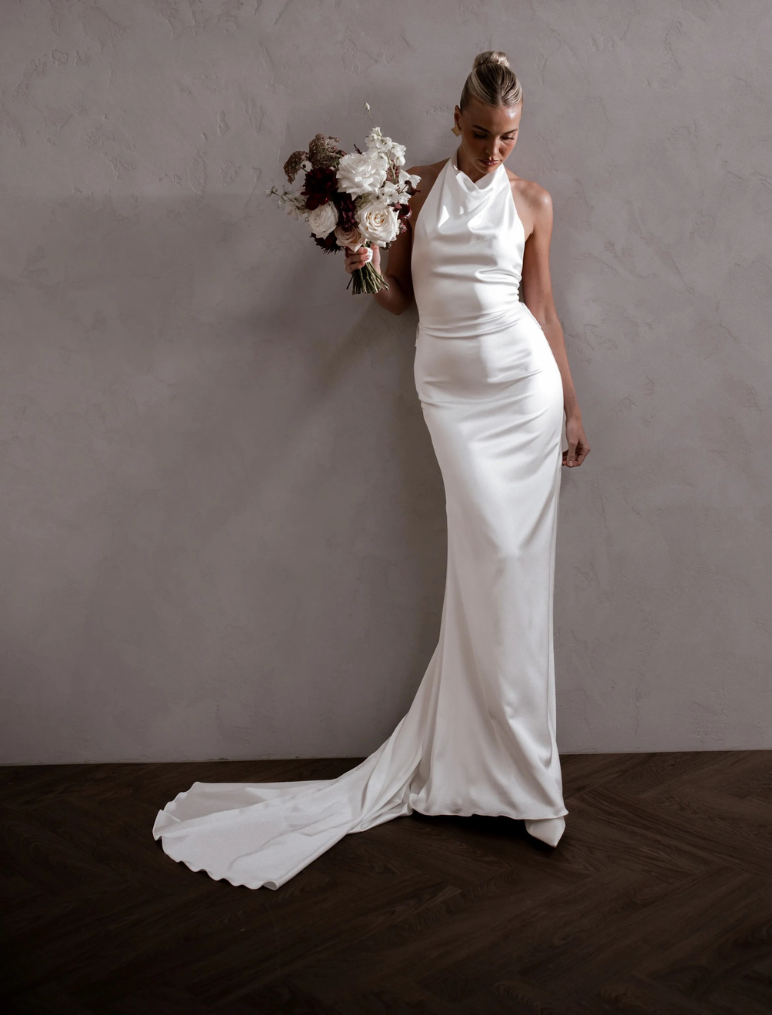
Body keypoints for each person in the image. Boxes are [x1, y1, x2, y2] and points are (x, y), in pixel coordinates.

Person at [152, 51, 590, 889]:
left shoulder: (533, 201)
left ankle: (525, 779)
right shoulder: (409, 188)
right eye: (480, 133)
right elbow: (399, 301)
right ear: (452, 118)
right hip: (454, 398)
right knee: (486, 563)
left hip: (522, 393)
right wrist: (360, 259)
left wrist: (570, 402)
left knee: (515, 577)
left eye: (508, 138)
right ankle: (482, 767)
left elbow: (542, 306)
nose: (495, 151)